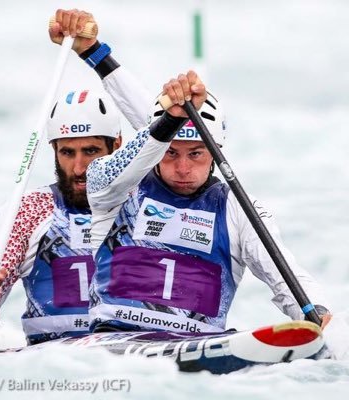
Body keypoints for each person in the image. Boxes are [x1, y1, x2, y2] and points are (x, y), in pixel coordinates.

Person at [46, 9, 332, 333]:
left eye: (196, 154)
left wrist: (317, 313)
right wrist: (166, 116)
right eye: (171, 154)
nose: (182, 168)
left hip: (193, 348)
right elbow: (148, 137)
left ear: (216, 151)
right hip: (114, 344)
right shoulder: (113, 187)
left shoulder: (237, 208)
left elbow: (284, 273)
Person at [0, 89, 122, 345]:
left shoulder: (143, 200)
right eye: (67, 153)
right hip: (54, 357)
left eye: (91, 151)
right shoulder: (28, 210)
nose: (79, 168)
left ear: (117, 146)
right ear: (54, 149)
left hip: (138, 351)